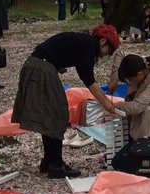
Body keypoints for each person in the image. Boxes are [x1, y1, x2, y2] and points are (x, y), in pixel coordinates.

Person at [11, 24, 121, 179]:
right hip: (42, 69)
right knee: (57, 114)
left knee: (49, 115)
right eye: (108, 50)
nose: (106, 54)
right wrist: (105, 103)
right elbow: (88, 79)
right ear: (103, 41)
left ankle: (49, 161)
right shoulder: (89, 46)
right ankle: (56, 165)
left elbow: (61, 50)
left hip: (36, 65)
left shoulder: (84, 41)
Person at [110, 54, 150, 175]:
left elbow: (137, 107)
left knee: (120, 163)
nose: (129, 82)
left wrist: (114, 105)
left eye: (130, 79)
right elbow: (119, 53)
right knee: (120, 161)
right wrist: (116, 80)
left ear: (139, 74)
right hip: (137, 127)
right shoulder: (139, 78)